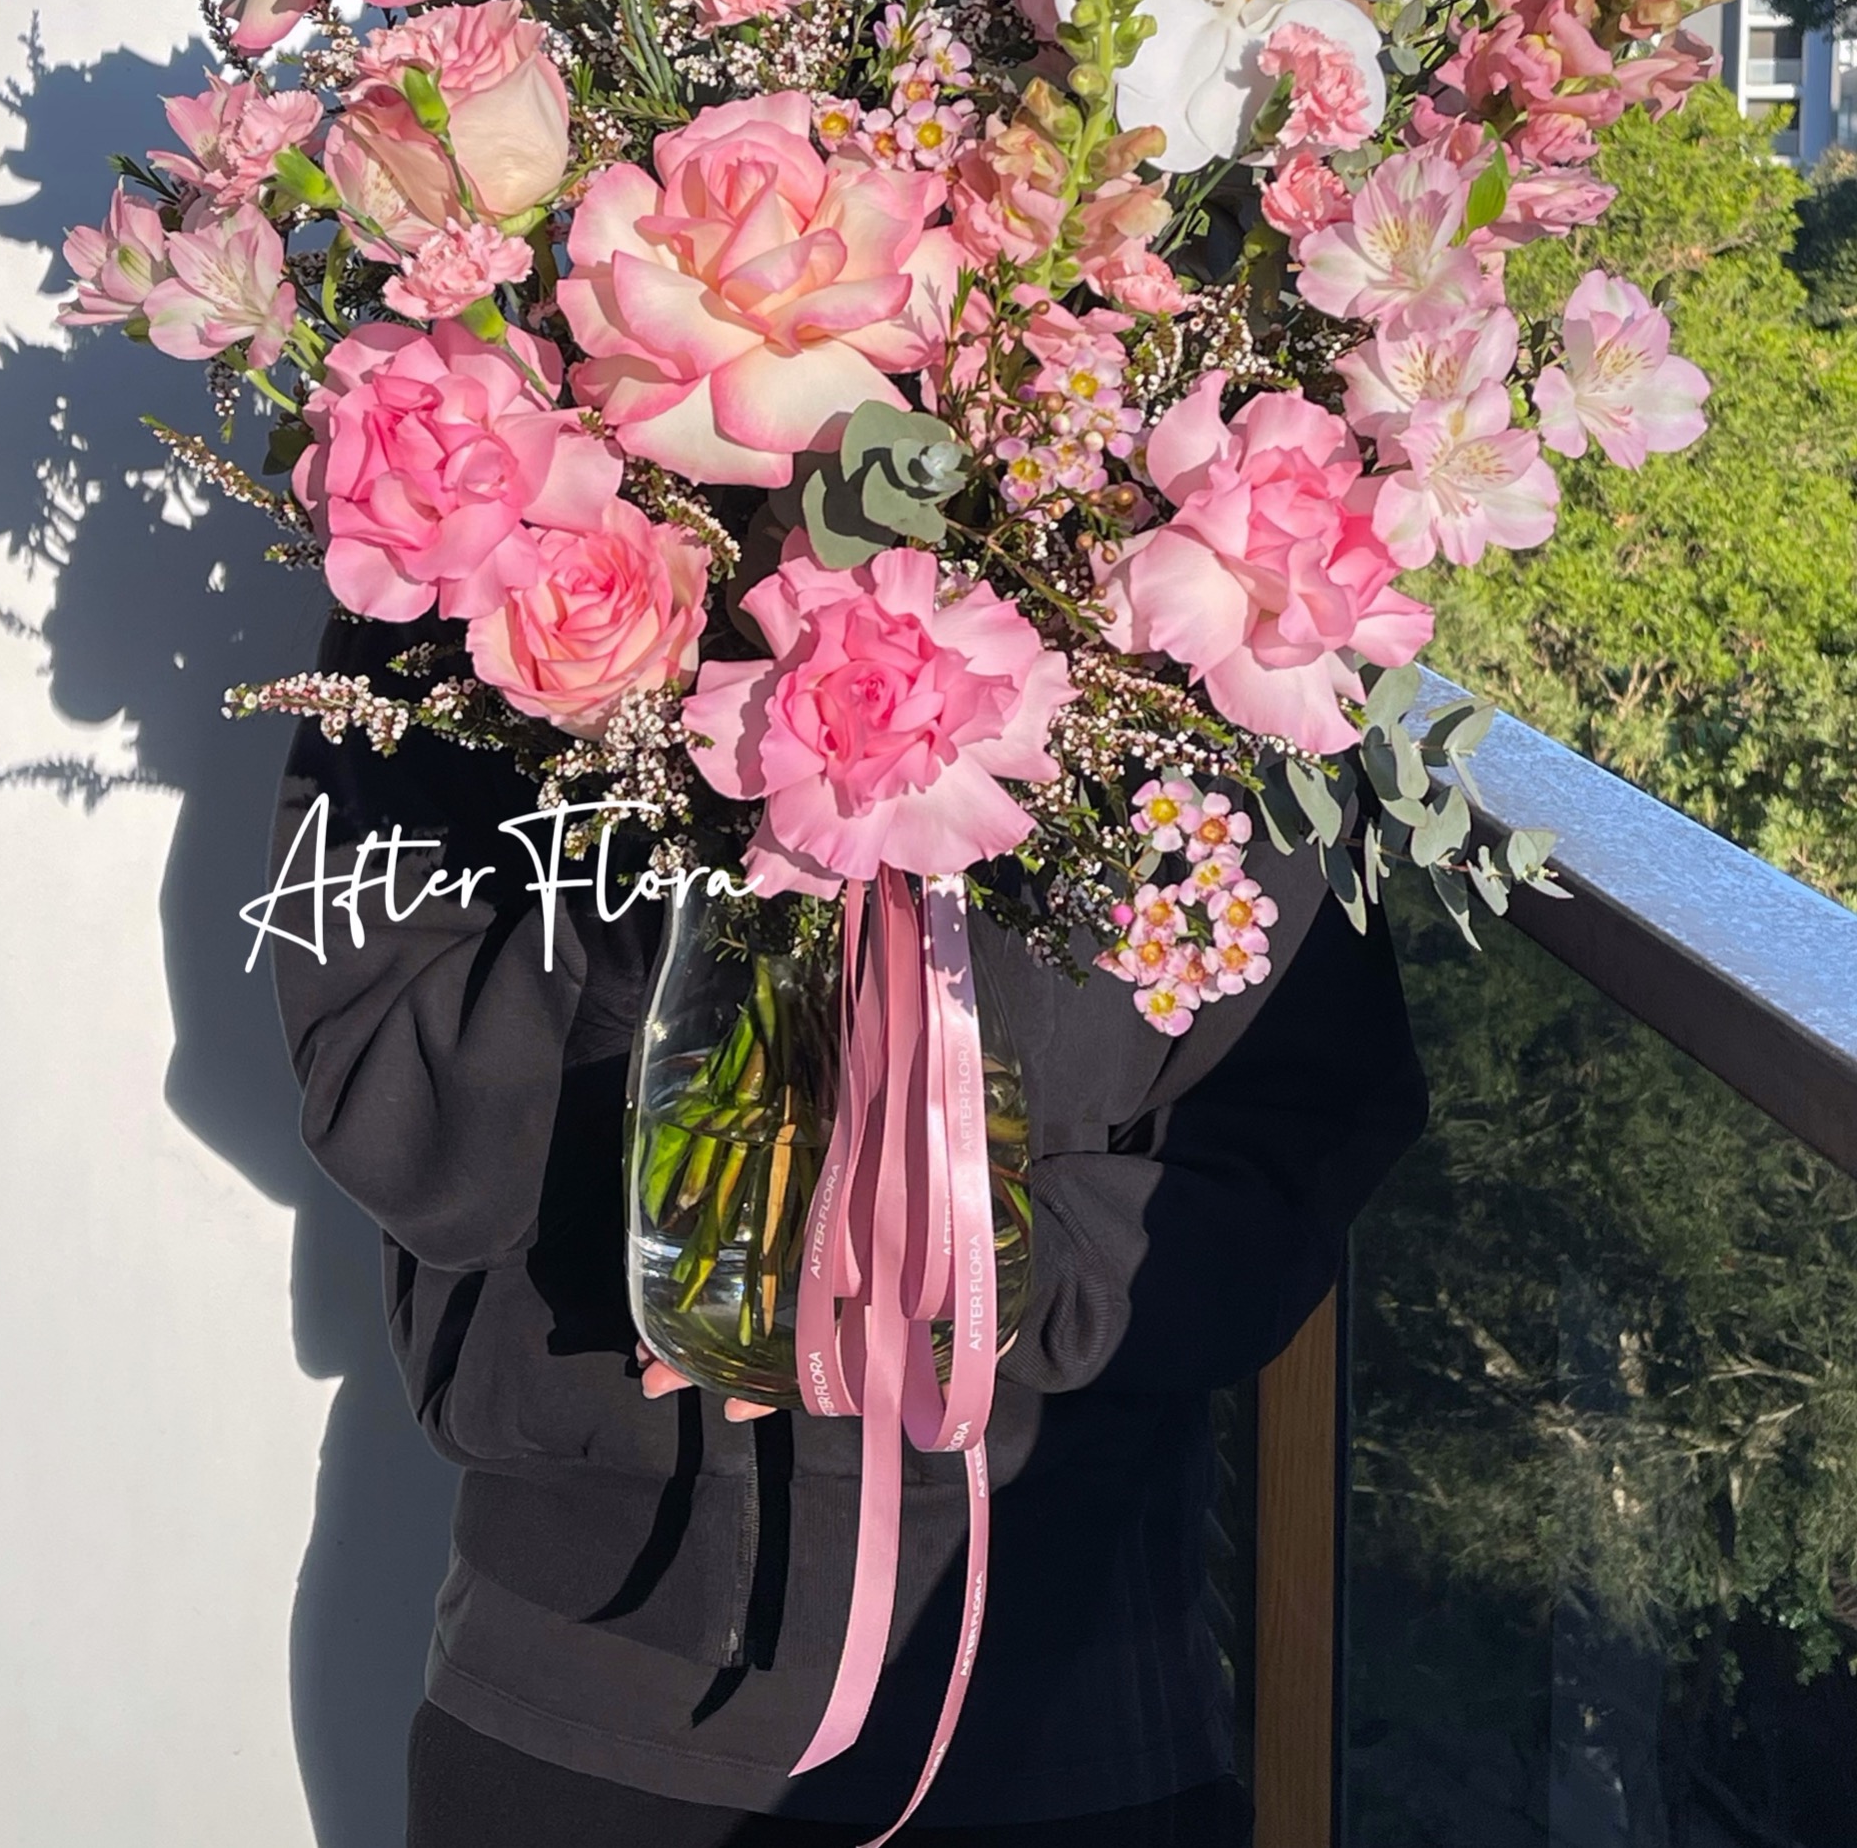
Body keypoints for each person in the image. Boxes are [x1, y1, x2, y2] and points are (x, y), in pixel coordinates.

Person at [269, 614, 1428, 1845]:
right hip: (587, 1703)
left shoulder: (1211, 607)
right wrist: (656, 834)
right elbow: (400, 1117)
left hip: (1072, 1716)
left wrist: (970, 1273)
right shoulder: (492, 566)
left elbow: (1295, 1139)